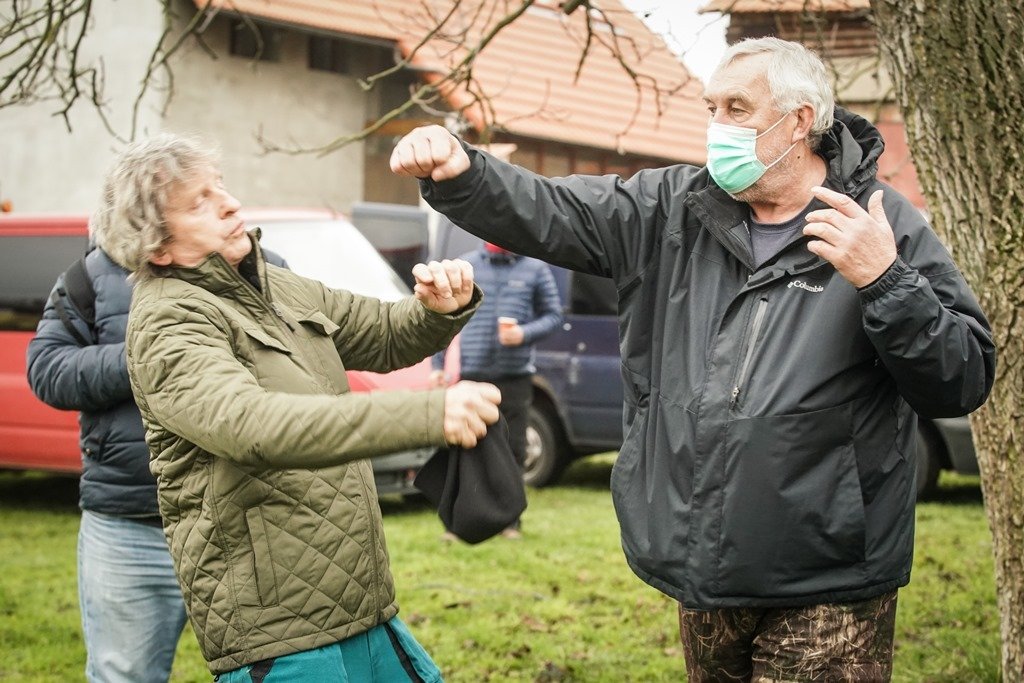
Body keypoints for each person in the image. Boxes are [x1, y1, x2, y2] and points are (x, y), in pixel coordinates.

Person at [391, 37, 996, 681]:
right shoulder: (672, 209)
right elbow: (556, 210)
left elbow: (960, 377)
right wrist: (463, 172)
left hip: (826, 574)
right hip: (701, 560)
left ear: (800, 121)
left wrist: (884, 280)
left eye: (737, 108)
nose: (717, 128)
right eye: (711, 108)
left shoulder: (881, 223)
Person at [102, 133, 500, 681]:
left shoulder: (276, 288)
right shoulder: (168, 324)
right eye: (199, 201)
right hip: (281, 632)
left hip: (360, 603)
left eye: (220, 187)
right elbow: (255, 427)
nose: (229, 203)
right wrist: (428, 415)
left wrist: (436, 310)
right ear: (158, 249)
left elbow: (383, 333)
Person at [26, 235, 288, 683]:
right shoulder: (89, 276)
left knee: (286, 671)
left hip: (246, 520)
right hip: (130, 527)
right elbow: (48, 369)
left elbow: (300, 353)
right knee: (123, 675)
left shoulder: (258, 264)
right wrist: (145, 355)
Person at [430, 241, 563, 539]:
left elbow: (554, 316)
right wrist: (437, 366)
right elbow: (443, 319)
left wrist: (523, 334)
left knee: (514, 448)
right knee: (465, 448)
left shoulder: (536, 268)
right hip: (472, 374)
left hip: (515, 376)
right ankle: (457, 523)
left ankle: (510, 522)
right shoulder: (466, 265)